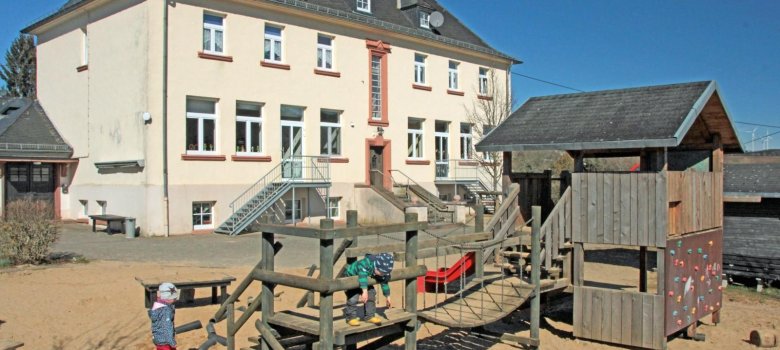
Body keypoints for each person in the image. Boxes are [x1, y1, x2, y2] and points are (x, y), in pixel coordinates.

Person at [343, 253, 394, 326]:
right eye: (381, 272)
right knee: (353, 298)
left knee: (371, 295)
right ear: (376, 266)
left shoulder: (382, 271)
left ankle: (369, 316)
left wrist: (387, 296)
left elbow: (384, 282)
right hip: (352, 279)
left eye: (384, 273)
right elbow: (362, 276)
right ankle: (351, 318)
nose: (382, 274)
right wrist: (364, 291)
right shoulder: (365, 264)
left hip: (366, 281)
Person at [149, 282, 179, 350]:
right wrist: (172, 342)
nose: (176, 299)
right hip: (165, 341)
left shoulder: (157, 306)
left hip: (158, 339)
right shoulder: (166, 310)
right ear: (168, 298)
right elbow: (167, 327)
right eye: (174, 298)